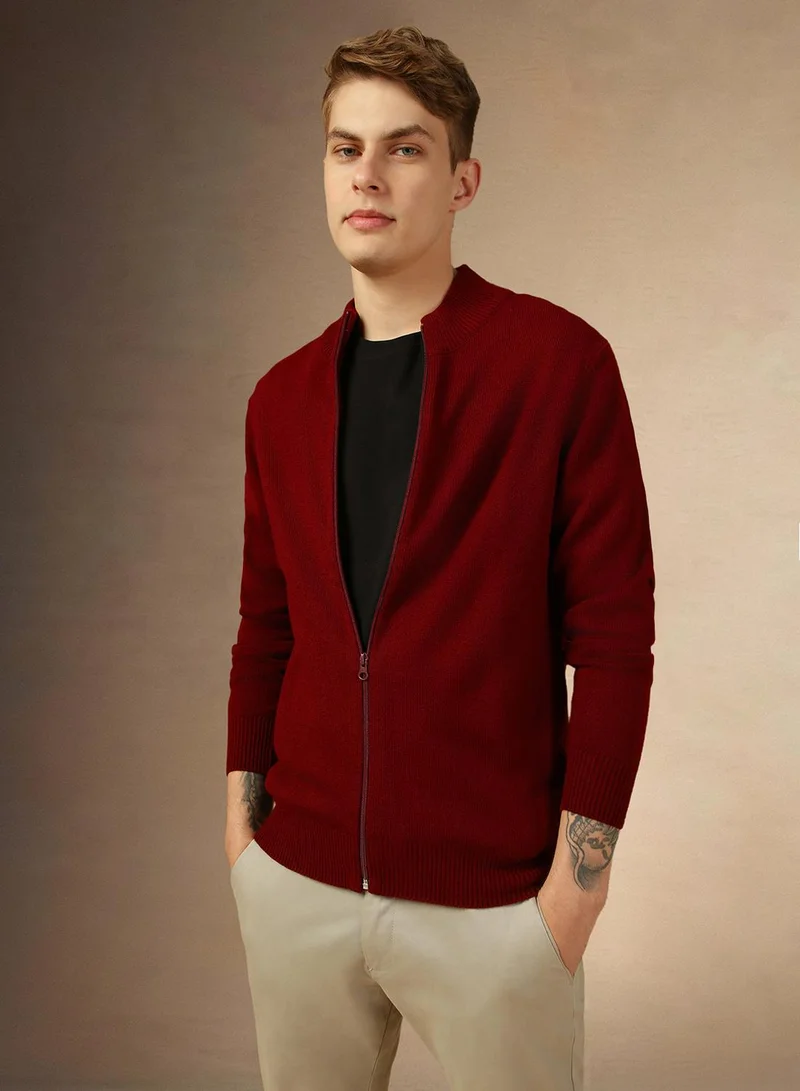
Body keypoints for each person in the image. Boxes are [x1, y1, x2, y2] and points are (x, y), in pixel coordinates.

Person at [224, 24, 655, 1091]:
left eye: (404, 148)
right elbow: (265, 628)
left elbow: (613, 639)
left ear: (462, 181)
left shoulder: (556, 366)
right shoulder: (280, 397)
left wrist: (575, 888)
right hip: (297, 887)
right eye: (345, 147)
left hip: (495, 908)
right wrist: (243, 840)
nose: (366, 175)